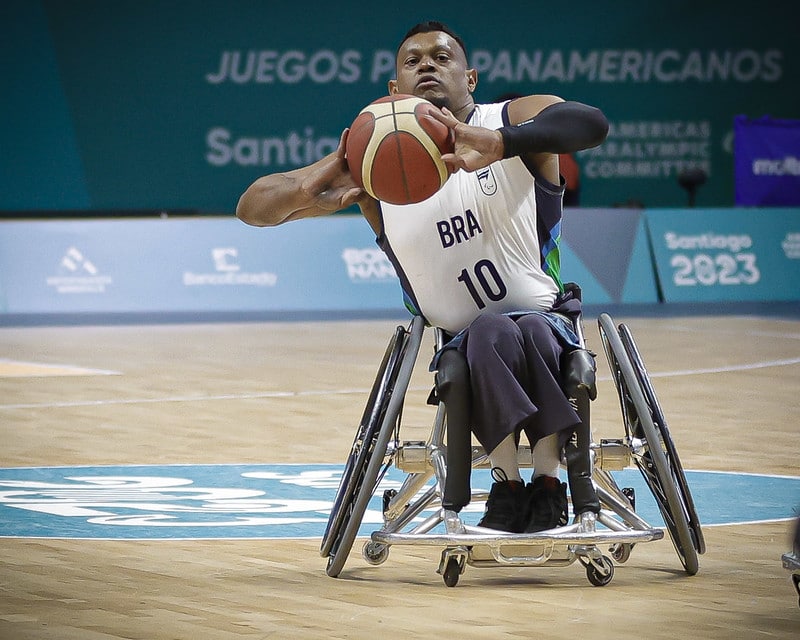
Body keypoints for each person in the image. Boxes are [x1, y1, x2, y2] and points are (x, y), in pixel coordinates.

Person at [236, 21, 609, 533]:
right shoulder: (373, 162)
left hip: (546, 319)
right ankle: (507, 485)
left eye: (441, 56)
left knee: (524, 328)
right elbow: (252, 208)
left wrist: (503, 142)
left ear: (470, 78)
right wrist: (310, 187)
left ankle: (548, 483)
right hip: (461, 336)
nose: (427, 65)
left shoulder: (508, 120)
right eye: (413, 61)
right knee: (489, 330)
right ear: (395, 88)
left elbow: (591, 124)